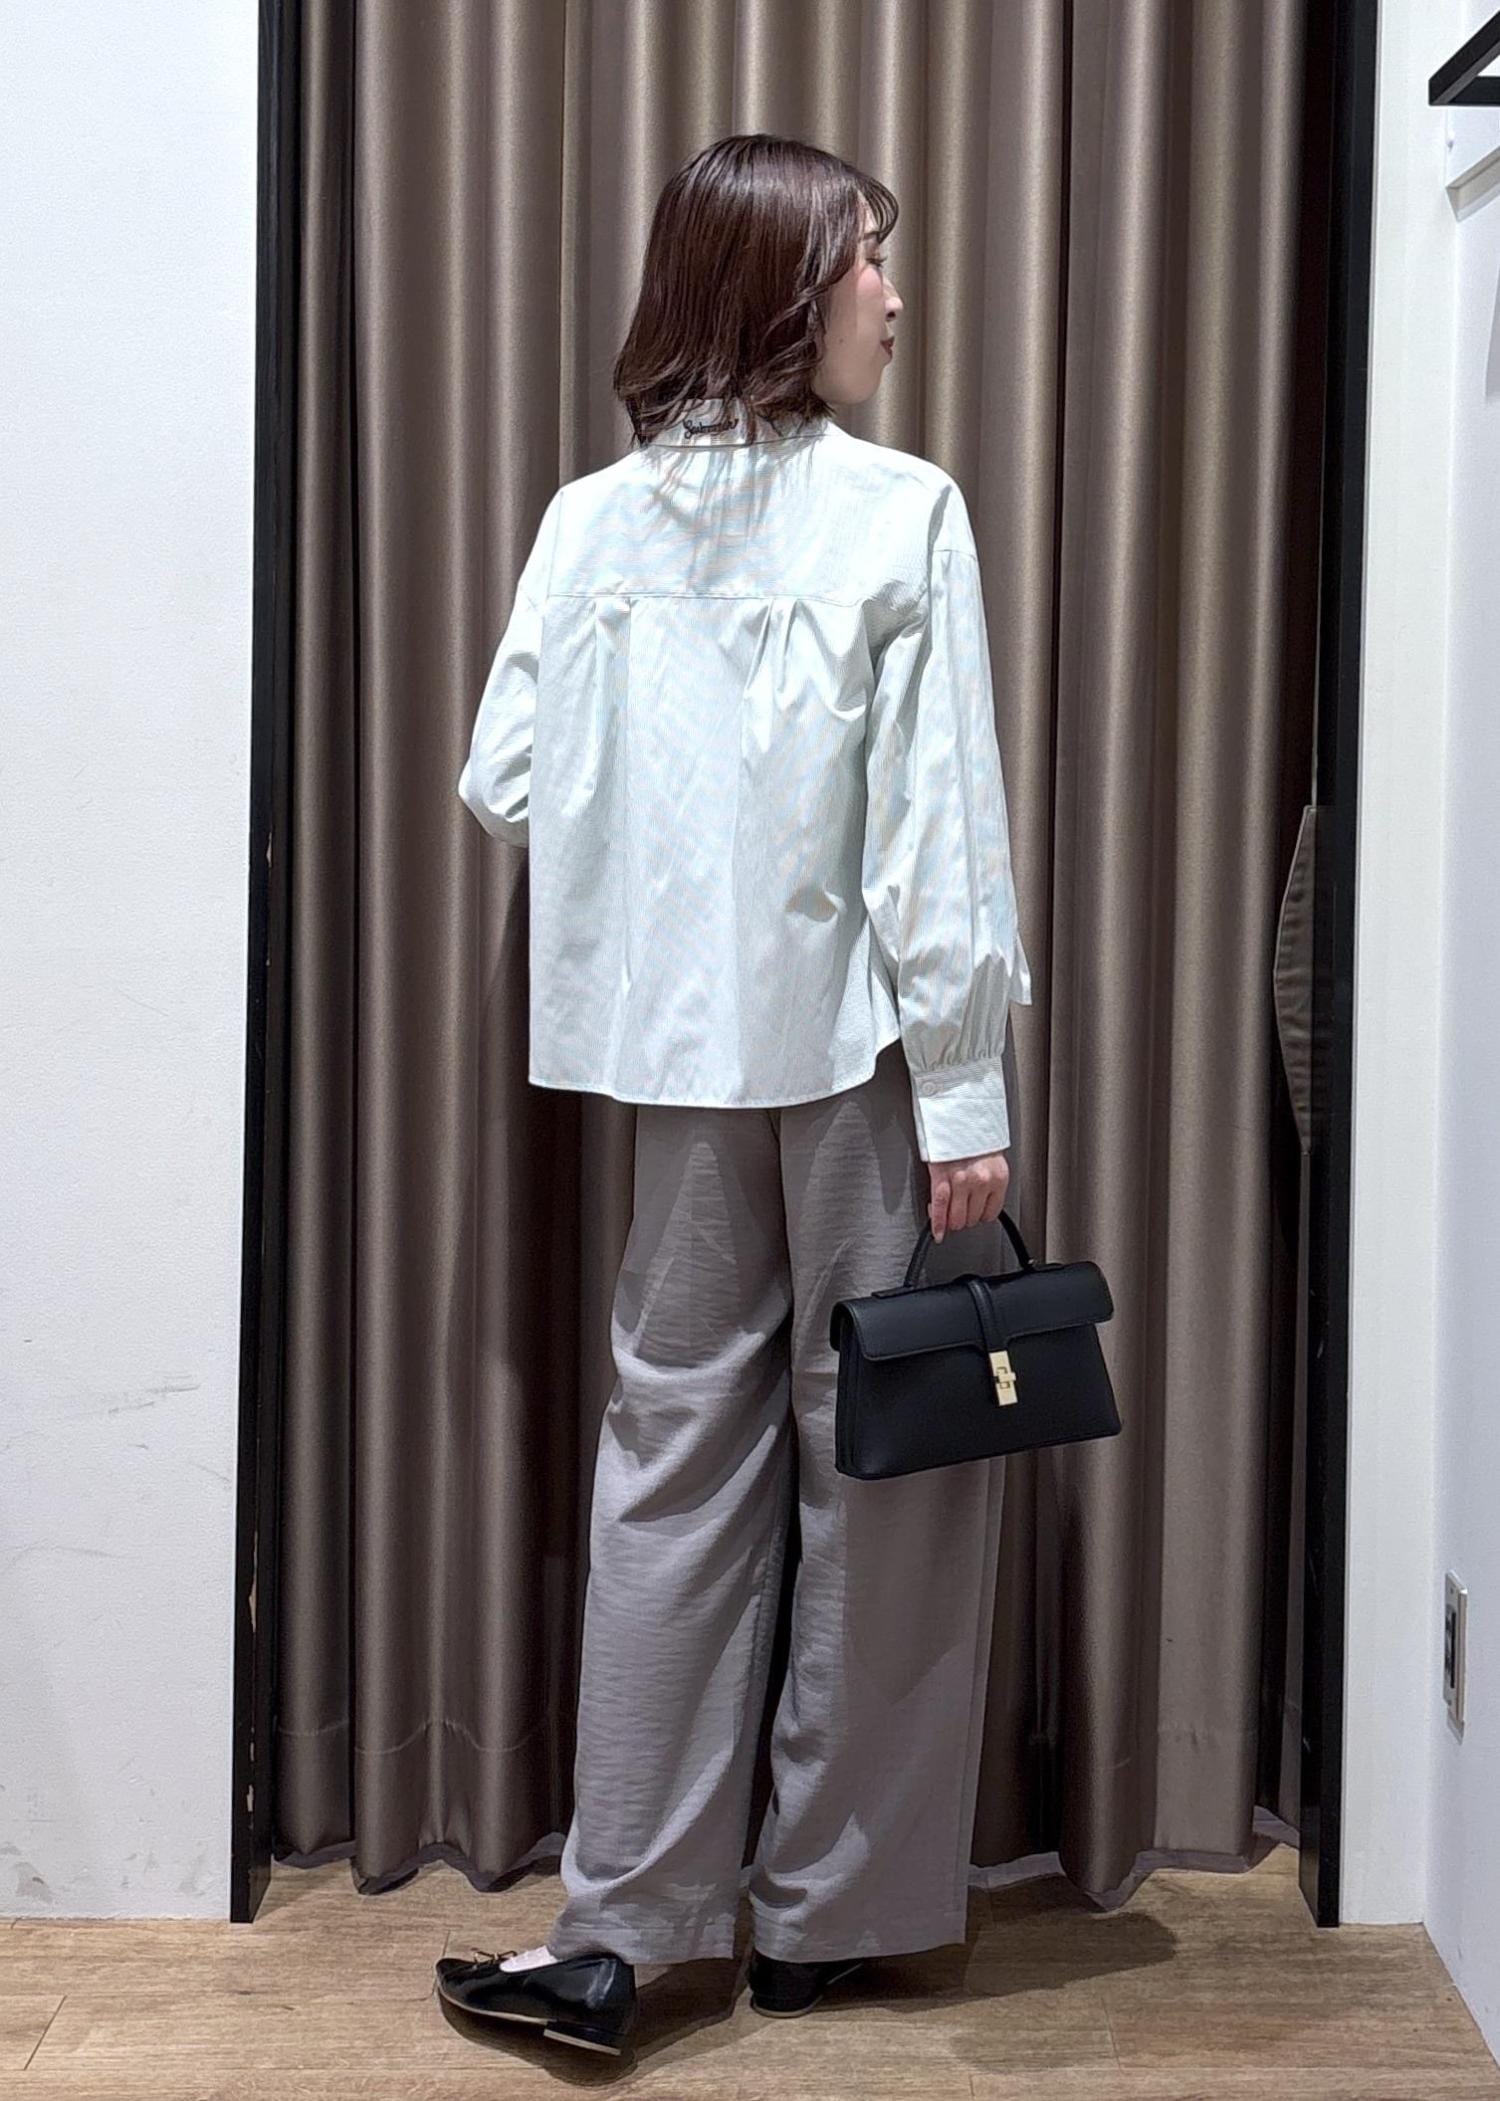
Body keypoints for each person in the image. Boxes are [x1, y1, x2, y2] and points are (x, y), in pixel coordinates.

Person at [435, 133, 1033, 2059]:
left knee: (671, 1461)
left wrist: (676, 807)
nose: (894, 298)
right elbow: (937, 825)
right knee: (887, 1468)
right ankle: (822, 1917)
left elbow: (503, 777)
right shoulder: (901, 511)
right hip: (862, 1060)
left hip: (680, 1064)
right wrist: (965, 1089)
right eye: (868, 261)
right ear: (785, 287)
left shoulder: (588, 523)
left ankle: (621, 1923)